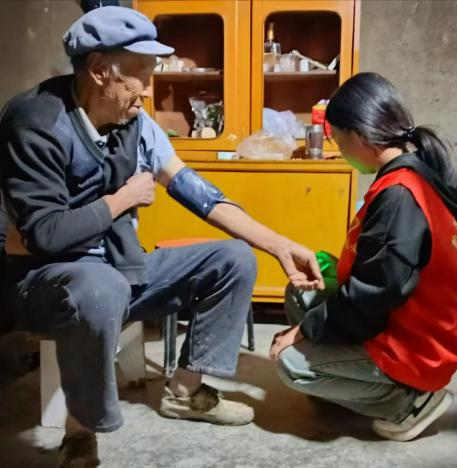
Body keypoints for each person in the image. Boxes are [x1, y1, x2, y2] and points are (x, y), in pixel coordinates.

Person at [0, 6, 323, 467]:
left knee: (233, 259)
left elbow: (198, 193)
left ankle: (185, 392)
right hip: (49, 284)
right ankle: (80, 435)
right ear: (100, 70)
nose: (149, 91)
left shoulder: (135, 122)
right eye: (141, 76)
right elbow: (46, 234)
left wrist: (279, 245)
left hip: (118, 269)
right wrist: (123, 199)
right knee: (99, 286)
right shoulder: (35, 123)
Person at [270, 72, 457, 442]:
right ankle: (348, 386)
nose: (340, 150)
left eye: (339, 141)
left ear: (360, 137)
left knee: (292, 365)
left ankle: (409, 403)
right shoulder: (413, 175)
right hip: (411, 323)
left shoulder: (400, 194)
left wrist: (305, 330)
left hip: (416, 347)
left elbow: (375, 293)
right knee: (300, 292)